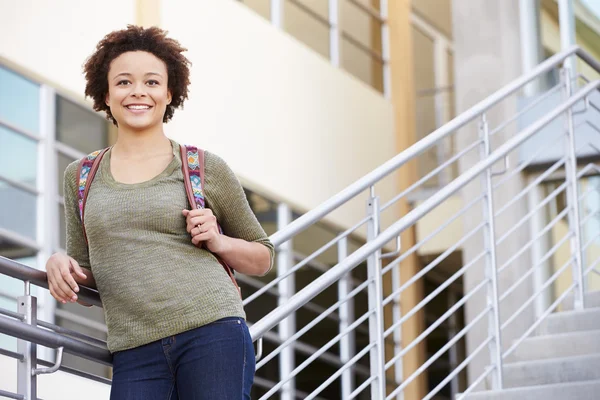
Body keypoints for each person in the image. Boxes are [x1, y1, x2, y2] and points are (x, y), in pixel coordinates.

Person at [45, 25, 273, 400]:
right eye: (123, 82)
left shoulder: (202, 167)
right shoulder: (80, 176)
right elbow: (87, 278)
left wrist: (218, 240)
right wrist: (60, 263)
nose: (138, 92)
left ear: (169, 93)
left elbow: (263, 257)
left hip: (212, 332)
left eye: (151, 82)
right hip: (134, 348)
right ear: (105, 93)